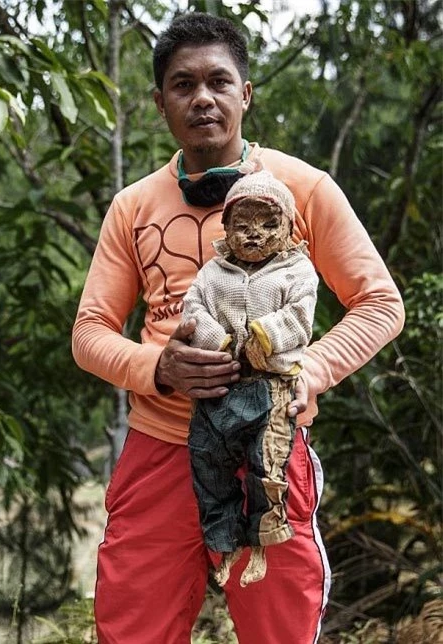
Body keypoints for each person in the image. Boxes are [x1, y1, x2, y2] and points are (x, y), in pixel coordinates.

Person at [71, 12, 404, 644]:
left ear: (245, 94)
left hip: (269, 446)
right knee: (132, 630)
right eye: (182, 84)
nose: (202, 97)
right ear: (161, 102)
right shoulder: (133, 206)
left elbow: (380, 303)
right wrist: (157, 367)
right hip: (160, 446)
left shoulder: (304, 189)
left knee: (281, 629)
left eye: (219, 81)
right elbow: (90, 332)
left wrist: (311, 369)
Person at [182, 171, 318, 588]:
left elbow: (300, 317)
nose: (253, 235)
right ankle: (225, 544)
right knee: (207, 458)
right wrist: (215, 339)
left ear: (288, 227)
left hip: (271, 385)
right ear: (225, 228)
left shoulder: (297, 270)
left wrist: (265, 336)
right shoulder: (212, 272)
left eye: (267, 224)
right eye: (241, 226)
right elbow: (192, 310)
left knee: (266, 464)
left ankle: (261, 542)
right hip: (219, 385)